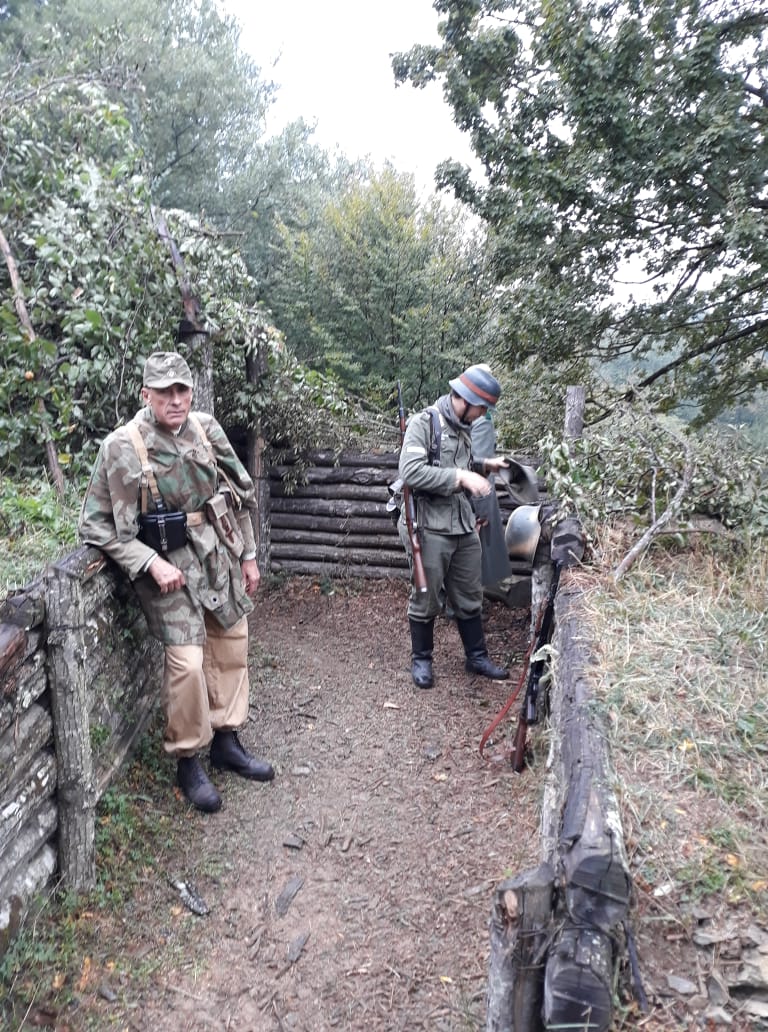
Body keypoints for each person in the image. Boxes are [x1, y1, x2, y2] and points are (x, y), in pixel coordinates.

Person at [79, 350, 274, 813]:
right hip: (168, 568)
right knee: (187, 663)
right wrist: (149, 562)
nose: (175, 399)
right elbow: (95, 526)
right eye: (164, 391)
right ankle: (188, 760)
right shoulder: (122, 446)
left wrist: (248, 555)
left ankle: (226, 740)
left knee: (231, 643)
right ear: (145, 394)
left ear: (191, 391)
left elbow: (237, 497)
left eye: (182, 389)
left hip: (217, 555)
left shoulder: (206, 429)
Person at [397, 363, 512, 689]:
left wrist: (484, 465)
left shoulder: (463, 426)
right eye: (481, 407)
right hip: (429, 524)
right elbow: (411, 472)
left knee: (469, 592)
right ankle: (422, 659)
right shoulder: (425, 423)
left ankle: (476, 657)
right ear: (466, 399)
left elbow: (459, 462)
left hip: (462, 523)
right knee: (427, 595)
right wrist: (460, 477)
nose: (482, 414)